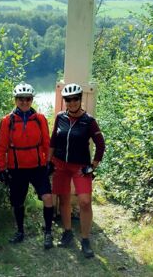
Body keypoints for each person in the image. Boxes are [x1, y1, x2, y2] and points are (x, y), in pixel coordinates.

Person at [48, 83, 105, 258]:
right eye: (68, 99)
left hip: (80, 167)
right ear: (65, 101)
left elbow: (101, 145)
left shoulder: (89, 121)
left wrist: (92, 166)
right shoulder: (60, 117)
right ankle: (67, 232)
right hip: (60, 164)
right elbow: (53, 141)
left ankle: (85, 239)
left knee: (85, 201)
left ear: (80, 99)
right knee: (64, 199)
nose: (72, 102)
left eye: (75, 99)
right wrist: (49, 162)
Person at [0, 82, 54, 249]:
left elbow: (46, 142)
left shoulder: (40, 118)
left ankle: (48, 232)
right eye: (21, 99)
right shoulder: (8, 121)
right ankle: (20, 231)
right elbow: (1, 146)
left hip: (38, 166)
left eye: (28, 98)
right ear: (15, 100)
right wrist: (2, 168)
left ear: (32, 99)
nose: (24, 102)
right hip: (17, 167)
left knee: (47, 197)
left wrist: (50, 162)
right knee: (17, 201)